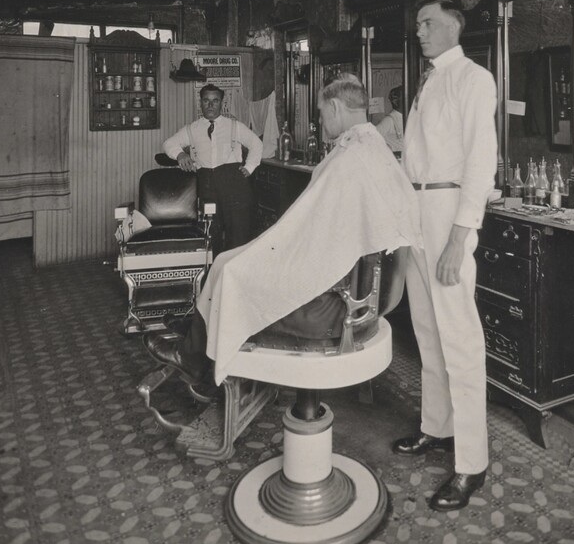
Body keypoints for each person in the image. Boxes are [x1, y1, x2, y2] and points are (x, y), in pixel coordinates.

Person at [146, 74, 420, 387]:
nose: (319, 118)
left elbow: (313, 227)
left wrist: (282, 246)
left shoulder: (351, 157)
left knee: (232, 268)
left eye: (319, 111)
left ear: (334, 107)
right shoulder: (371, 147)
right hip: (353, 278)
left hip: (336, 292)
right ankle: (199, 332)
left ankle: (195, 356)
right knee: (226, 261)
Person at [394, 0, 498, 512]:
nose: (420, 31)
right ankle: (435, 428)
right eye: (417, 24)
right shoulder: (429, 80)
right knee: (427, 331)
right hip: (417, 212)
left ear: (457, 26)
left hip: (448, 212)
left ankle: (472, 463)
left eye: (429, 22)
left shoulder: (473, 80)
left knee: (458, 337)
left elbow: (481, 164)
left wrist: (460, 238)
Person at [161, 84, 265, 251]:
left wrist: (250, 166)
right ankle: (212, 274)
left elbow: (257, 144)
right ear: (200, 103)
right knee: (211, 233)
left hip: (234, 183)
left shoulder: (234, 126)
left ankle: (234, 275)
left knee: (238, 235)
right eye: (206, 101)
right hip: (207, 184)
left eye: (215, 101)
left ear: (222, 103)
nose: (210, 105)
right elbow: (168, 144)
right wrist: (180, 155)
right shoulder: (192, 129)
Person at [373, 85, 406, 154]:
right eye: (404, 98)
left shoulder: (405, 117)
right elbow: (371, 137)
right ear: (396, 102)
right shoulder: (389, 120)